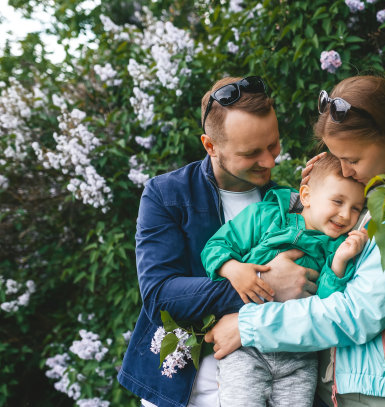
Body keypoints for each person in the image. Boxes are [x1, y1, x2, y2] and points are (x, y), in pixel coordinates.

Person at [204, 75, 385, 407]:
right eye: (336, 157)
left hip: (379, 392)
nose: (346, 170)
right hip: (337, 385)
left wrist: (248, 324)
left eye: (352, 160)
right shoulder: (375, 196)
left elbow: (358, 311)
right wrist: (309, 202)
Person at [117, 76, 320, 407]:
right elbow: (158, 296)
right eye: (252, 153)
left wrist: (323, 198)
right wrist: (264, 285)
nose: (270, 161)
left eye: (273, 145)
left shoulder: (285, 202)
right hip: (184, 391)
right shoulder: (166, 194)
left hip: (268, 387)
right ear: (210, 146)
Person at [201, 154, 369, 406]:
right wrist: (234, 269)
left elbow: (327, 304)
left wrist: (338, 265)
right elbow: (216, 245)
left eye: (356, 208)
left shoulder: (336, 248)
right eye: (337, 201)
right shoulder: (267, 216)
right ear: (306, 195)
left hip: (299, 355)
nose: (345, 215)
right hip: (246, 346)